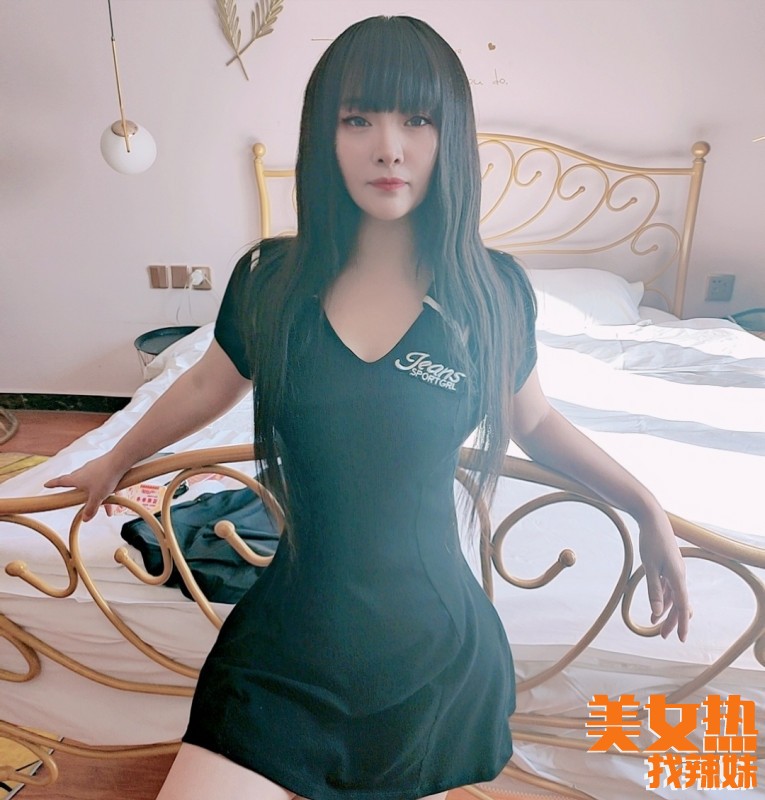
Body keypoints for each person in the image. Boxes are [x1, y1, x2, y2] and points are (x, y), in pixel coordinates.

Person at [45, 15, 690, 800]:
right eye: (358, 119)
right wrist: (113, 457)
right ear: (325, 135)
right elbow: (208, 385)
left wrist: (644, 506)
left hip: (430, 652)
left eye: (416, 119)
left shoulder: (490, 293)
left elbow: (536, 423)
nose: (389, 147)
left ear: (450, 137)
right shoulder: (270, 280)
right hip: (287, 643)